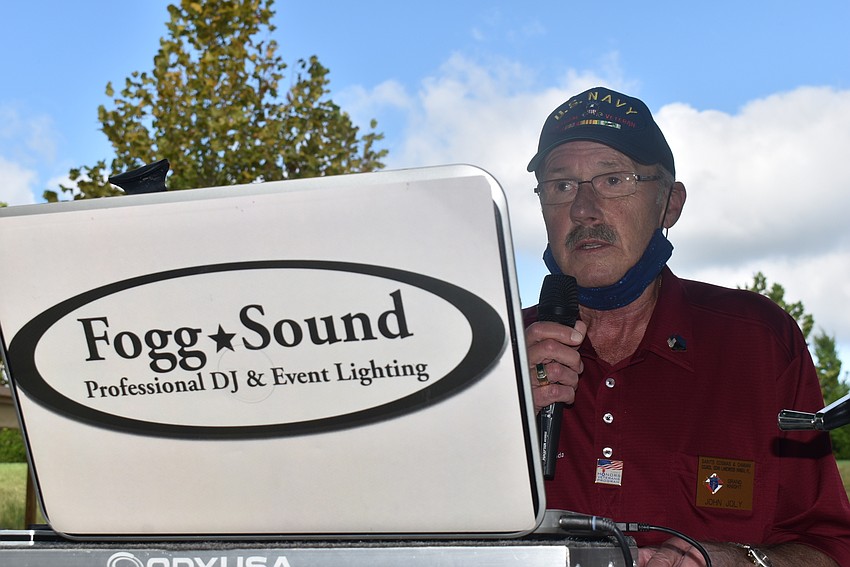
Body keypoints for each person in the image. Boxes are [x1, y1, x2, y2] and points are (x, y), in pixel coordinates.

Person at [523, 86, 850, 567]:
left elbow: (831, 547)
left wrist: (742, 562)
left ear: (670, 204)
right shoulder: (497, 348)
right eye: (561, 186)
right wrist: (489, 416)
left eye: (613, 180)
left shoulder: (758, 341)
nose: (583, 209)